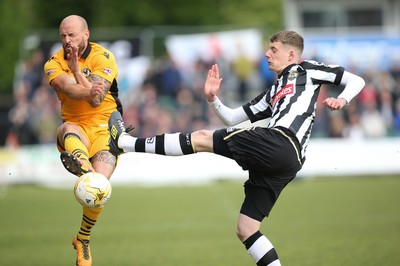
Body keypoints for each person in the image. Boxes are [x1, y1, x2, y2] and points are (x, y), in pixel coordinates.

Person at [108, 31, 365, 265]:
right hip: (286, 160)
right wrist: (212, 99)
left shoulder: (308, 69)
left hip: (280, 142)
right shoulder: (274, 90)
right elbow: (232, 118)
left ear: (291, 54)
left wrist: (342, 99)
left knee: (200, 138)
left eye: (273, 49)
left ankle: (125, 143)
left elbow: (356, 81)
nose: (267, 53)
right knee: (246, 228)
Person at [44, 15, 123, 266]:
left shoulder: (104, 57)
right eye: (63, 36)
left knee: (99, 188)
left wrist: (78, 72)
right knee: (66, 127)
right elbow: (68, 88)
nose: (67, 41)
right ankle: (81, 162)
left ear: (86, 35)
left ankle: (83, 238)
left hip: (104, 128)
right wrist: (85, 83)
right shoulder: (53, 62)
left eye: (72, 35)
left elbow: (97, 101)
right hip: (75, 125)